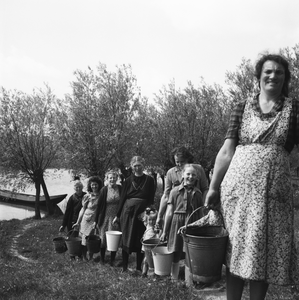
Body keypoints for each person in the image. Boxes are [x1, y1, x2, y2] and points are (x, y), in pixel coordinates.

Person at [205, 54, 299, 300]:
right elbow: (227, 151)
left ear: (285, 78)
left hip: (273, 195)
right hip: (238, 193)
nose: (273, 76)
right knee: (236, 250)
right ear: (258, 77)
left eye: (279, 72)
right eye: (268, 71)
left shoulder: (294, 109)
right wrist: (213, 187)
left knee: (263, 254)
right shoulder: (241, 106)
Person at [160, 164, 208, 284]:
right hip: (177, 224)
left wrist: (202, 228)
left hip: (192, 225)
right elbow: (169, 212)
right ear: (183, 175)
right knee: (176, 251)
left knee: (190, 253)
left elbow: (200, 212)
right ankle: (174, 279)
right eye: (188, 174)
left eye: (193, 174)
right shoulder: (174, 191)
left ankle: (189, 282)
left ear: (197, 177)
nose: (190, 177)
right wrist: (165, 231)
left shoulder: (198, 193)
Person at [113, 156, 155, 274]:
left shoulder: (150, 180)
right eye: (135, 166)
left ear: (143, 165)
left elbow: (151, 199)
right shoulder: (127, 180)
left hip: (142, 213)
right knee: (127, 237)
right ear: (132, 166)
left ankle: (138, 267)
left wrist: (147, 211)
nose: (137, 168)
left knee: (140, 238)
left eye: (139, 165)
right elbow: (122, 198)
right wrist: (118, 215)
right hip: (128, 212)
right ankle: (125, 267)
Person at [156, 146, 207, 229]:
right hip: (176, 212)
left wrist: (204, 207)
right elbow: (166, 195)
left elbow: (205, 189)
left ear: (188, 159)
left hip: (194, 211)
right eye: (177, 162)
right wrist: (160, 216)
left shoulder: (198, 169)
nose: (179, 164)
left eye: (182, 162)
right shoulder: (171, 173)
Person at [94, 170, 122, 266]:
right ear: (107, 179)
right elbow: (99, 206)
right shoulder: (103, 190)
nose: (112, 179)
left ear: (117, 178)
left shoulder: (120, 189)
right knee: (103, 238)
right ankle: (102, 259)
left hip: (116, 218)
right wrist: (95, 220)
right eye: (110, 178)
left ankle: (112, 260)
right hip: (105, 217)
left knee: (113, 239)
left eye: (114, 177)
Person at [73, 176, 103, 261]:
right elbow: (83, 209)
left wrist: (98, 220)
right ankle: (84, 256)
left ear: (99, 185)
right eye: (92, 185)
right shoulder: (86, 196)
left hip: (95, 218)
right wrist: (78, 222)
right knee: (84, 239)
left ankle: (91, 256)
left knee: (92, 238)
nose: (94, 186)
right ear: (90, 185)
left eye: (96, 184)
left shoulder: (101, 196)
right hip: (86, 219)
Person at [58, 180, 86, 260]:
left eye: (80, 187)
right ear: (74, 188)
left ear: (82, 187)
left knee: (81, 238)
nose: (78, 189)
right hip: (73, 221)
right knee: (72, 238)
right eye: (76, 187)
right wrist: (63, 224)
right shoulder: (72, 198)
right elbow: (67, 212)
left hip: (83, 220)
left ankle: (80, 255)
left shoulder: (86, 195)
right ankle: (72, 255)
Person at [140, 207, 159, 277]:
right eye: (150, 220)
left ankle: (152, 273)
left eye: (154, 220)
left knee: (151, 259)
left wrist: (157, 230)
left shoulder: (155, 227)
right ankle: (144, 272)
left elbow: (157, 234)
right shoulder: (147, 225)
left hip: (152, 245)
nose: (151, 221)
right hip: (146, 244)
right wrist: (147, 211)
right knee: (146, 260)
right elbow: (143, 217)